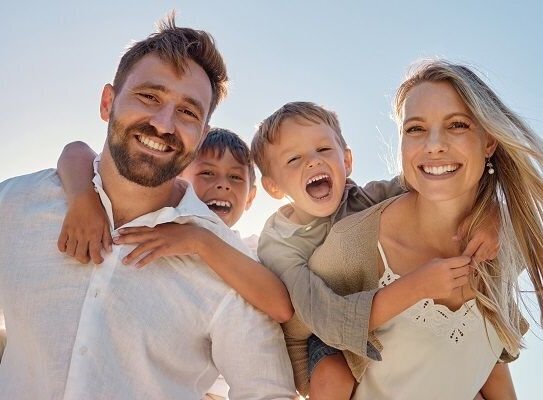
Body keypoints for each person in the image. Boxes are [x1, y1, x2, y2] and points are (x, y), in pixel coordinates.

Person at [0, 14, 296, 400]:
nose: (164, 123)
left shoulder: (227, 264)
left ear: (201, 133)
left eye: (188, 111)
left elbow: (267, 391)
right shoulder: (16, 206)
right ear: (108, 102)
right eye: (149, 96)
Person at [304, 59, 543, 399]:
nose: (433, 145)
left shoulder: (510, 238)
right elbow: (294, 333)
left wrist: (496, 215)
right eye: (415, 129)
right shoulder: (355, 244)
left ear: (489, 142)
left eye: (457, 125)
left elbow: (488, 355)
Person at [250, 101, 500, 398]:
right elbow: (319, 313)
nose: (313, 162)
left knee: (479, 337)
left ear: (347, 161)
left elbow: (436, 184)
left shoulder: (367, 198)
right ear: (274, 187)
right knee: (333, 376)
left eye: (323, 150)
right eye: (293, 159)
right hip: (319, 332)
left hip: (371, 304)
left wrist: (490, 214)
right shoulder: (280, 242)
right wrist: (416, 287)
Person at [56, 127, 294, 399]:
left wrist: (199, 241)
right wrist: (82, 197)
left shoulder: (244, 250)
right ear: (178, 177)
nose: (223, 184)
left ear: (251, 197)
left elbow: (280, 306)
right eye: (207, 173)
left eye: (235, 177)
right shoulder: (152, 223)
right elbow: (76, 150)